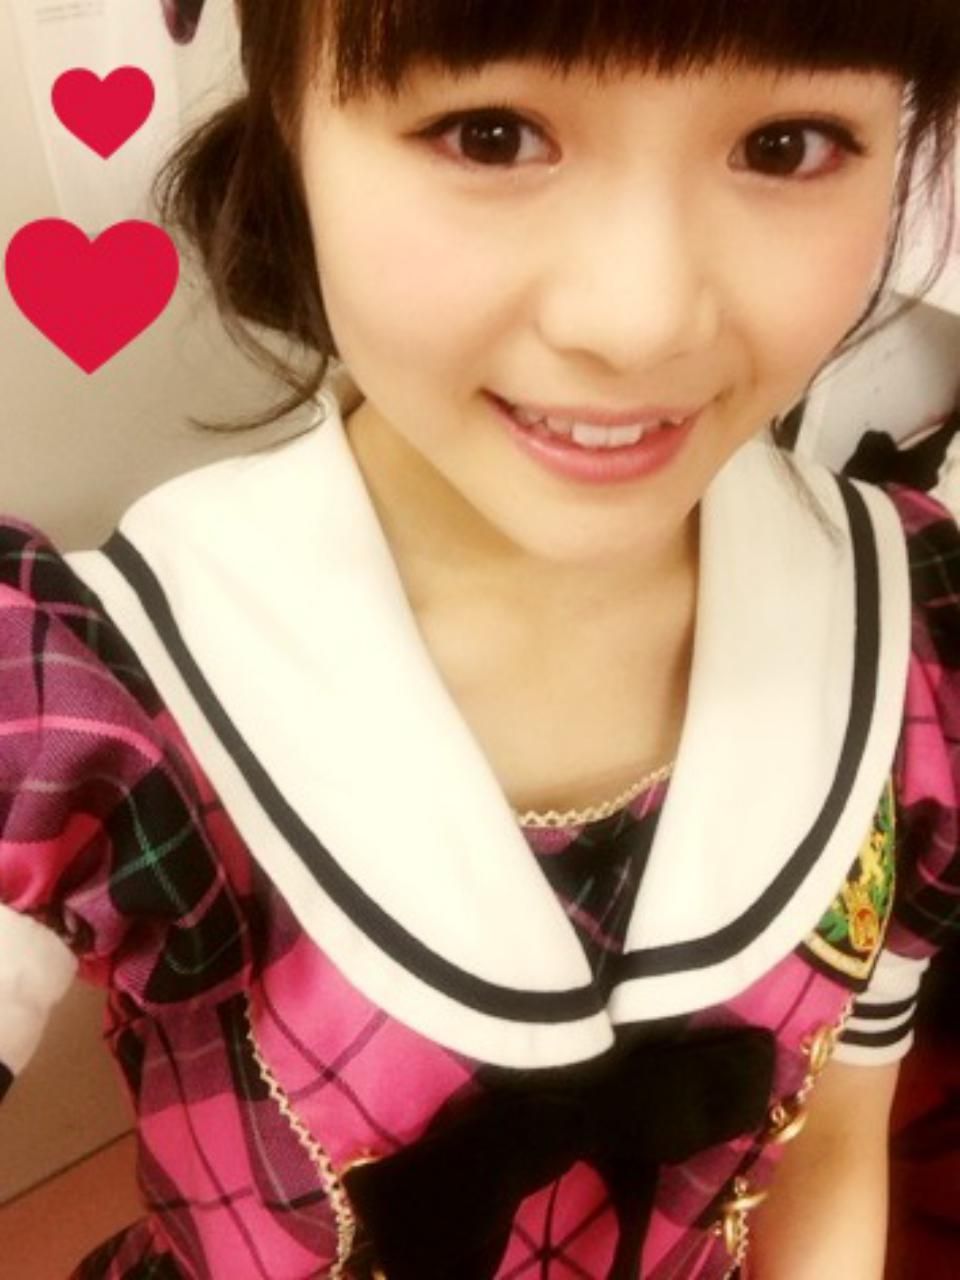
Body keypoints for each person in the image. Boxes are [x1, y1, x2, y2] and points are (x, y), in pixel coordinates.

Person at [2, 2, 959, 1276]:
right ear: (288, 127)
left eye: (785, 144)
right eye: (491, 134)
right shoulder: (92, 692)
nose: (640, 319)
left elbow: (830, 1147)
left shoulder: (913, 636)